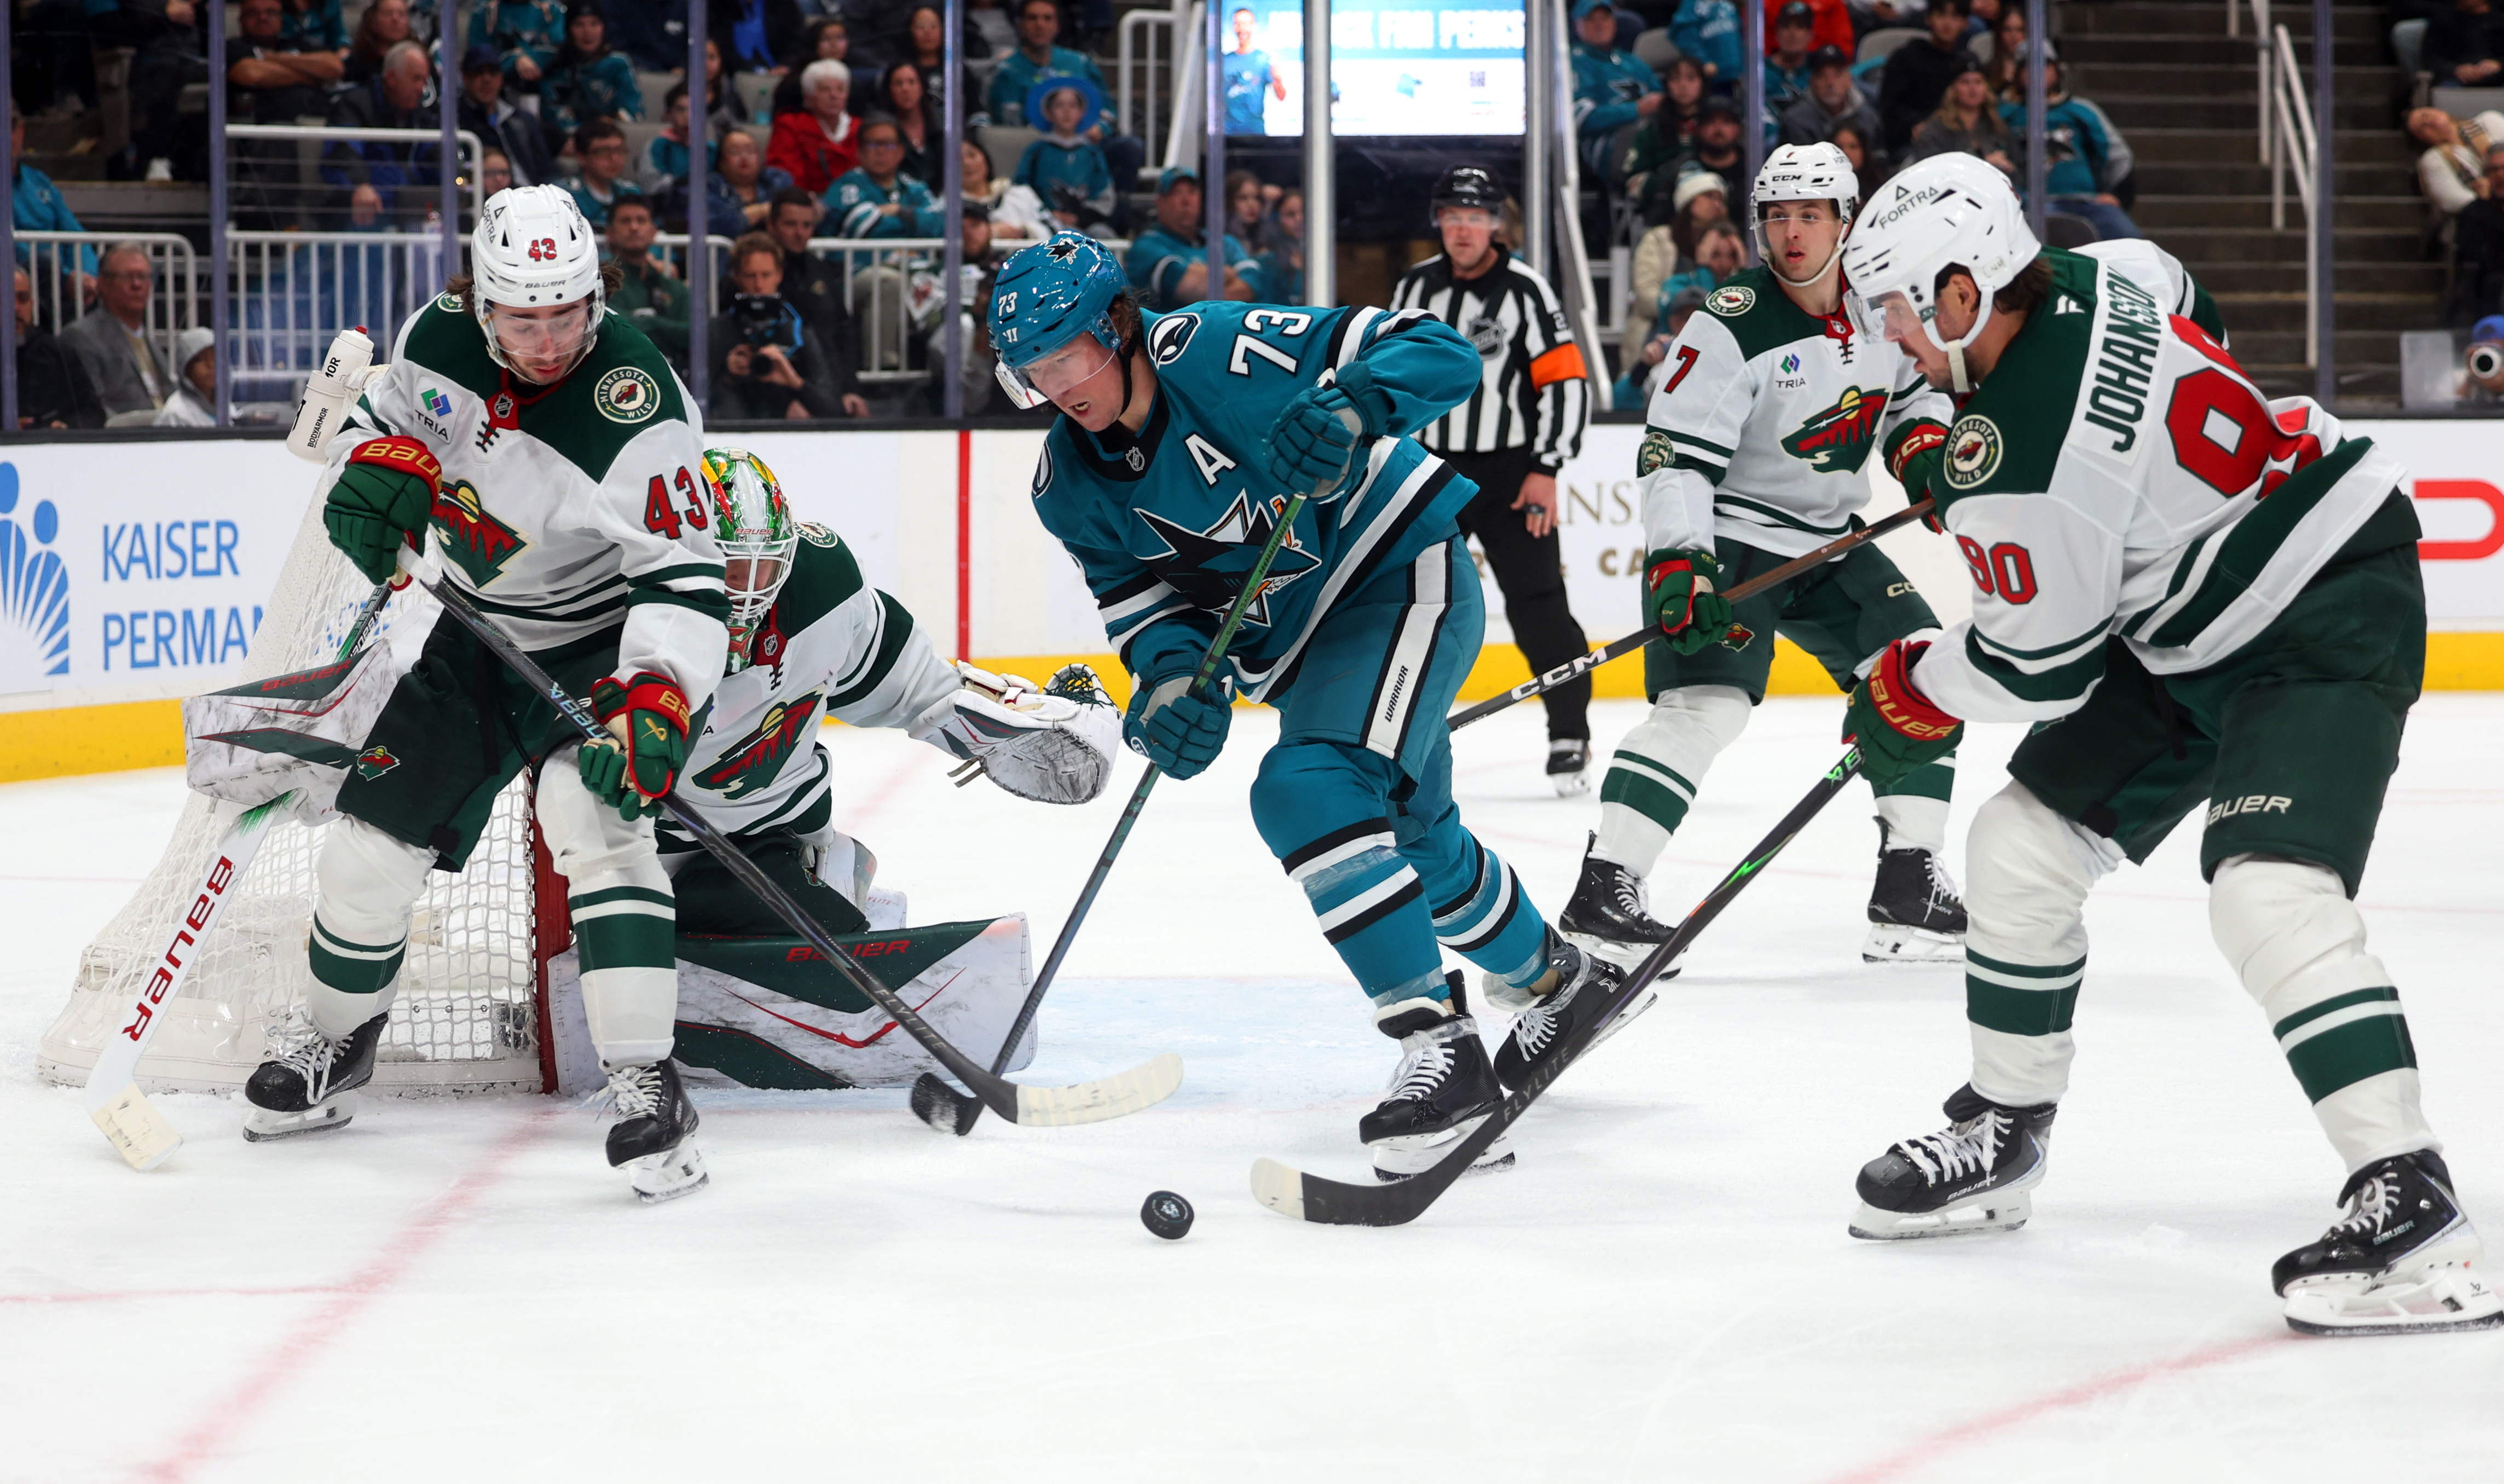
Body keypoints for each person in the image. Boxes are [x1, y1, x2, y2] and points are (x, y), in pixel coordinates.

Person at [1828, 154, 2501, 1341]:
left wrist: (1906, 684)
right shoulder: (2102, 272)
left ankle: (2412, 1201)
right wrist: (1975, 430)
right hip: (2195, 618)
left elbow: (2039, 668)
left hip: (2321, 599)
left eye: (1894, 309)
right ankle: (2003, 1125)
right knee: (2019, 847)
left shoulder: (2025, 470)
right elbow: (2187, 298)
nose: (1887, 338)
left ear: (1960, 288)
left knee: (2267, 893)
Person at [993, 230, 1646, 1180]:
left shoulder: (1220, 350)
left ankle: (1445, 1055)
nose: (1057, 390)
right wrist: (1171, 684)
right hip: (1305, 653)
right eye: (1032, 376)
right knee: (1414, 841)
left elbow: (1441, 350)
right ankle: (1561, 981)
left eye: (1067, 359)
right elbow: (1144, 612)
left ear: (1121, 324)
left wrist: (1355, 404)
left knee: (1306, 786)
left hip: (1399, 572)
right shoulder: (1067, 486)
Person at [245, 184, 726, 1205]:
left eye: (565, 314)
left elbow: (685, 576)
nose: (547, 340)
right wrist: (378, 471)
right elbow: (377, 428)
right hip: (475, 639)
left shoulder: (641, 406)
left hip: (599, 646)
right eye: (522, 316)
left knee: (591, 813)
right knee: (367, 844)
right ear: (482, 299)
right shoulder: (437, 334)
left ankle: (648, 1077)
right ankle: (337, 1046)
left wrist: (657, 696)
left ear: (596, 297)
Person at [1563, 144, 1970, 970]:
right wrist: (1683, 564)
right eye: (1776, 215)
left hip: (1829, 543)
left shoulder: (1881, 305)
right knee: (1704, 708)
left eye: (1809, 214)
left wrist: (1923, 452)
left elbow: (1913, 395)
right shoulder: (1727, 323)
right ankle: (1605, 886)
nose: (1791, 232)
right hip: (1732, 540)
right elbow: (1672, 455)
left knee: (1922, 676)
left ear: (1844, 220)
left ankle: (1908, 883)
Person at [664, 449, 1118, 964]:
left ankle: (829, 890)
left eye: (762, 566)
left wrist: (1013, 724)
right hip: (641, 856)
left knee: (772, 906)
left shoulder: (821, 591)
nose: (748, 591)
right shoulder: (617, 610)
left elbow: (919, 689)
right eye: (729, 567)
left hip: (774, 849)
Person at [1390, 165, 1599, 795]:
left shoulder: (1527, 291)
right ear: (1439, 221)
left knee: (1539, 607)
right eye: (1451, 215)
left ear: (1495, 224)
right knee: (1408, 609)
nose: (1462, 228)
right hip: (1432, 474)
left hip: (1513, 474)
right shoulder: (1415, 287)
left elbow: (1565, 382)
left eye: (1474, 216)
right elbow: (1389, 376)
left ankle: (1569, 734)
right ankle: (1397, 738)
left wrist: (1547, 467)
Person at [984, 0, 1144, 183]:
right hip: (1039, 150)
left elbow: (1108, 112)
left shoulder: (1080, 63)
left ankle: (1111, 208)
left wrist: (1100, 129)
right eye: (1032, 18)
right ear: (1020, 24)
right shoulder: (1008, 71)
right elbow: (1008, 123)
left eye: (1048, 19)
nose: (1040, 25)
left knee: (1130, 148)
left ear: (1058, 26)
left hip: (1086, 145)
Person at [2000, 55, 2139, 240]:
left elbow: (2118, 155)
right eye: (2028, 67)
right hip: (2033, 203)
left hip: (2088, 202)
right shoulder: (2005, 114)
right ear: (2018, 74)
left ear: (2056, 72)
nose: (2036, 72)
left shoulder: (2082, 110)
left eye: (2044, 66)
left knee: (2128, 238)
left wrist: (2119, 196)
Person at [712, 231, 847, 419]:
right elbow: (693, 403)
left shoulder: (798, 333)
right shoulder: (718, 330)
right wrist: (728, 378)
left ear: (779, 275)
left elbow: (834, 410)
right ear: (737, 277)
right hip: (735, 431)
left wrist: (796, 383)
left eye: (766, 275)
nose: (759, 285)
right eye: (751, 276)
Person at [321, 40, 442, 227]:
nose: (422, 89)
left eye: (424, 81)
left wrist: (456, 182)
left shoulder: (422, 117)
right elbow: (342, 152)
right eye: (416, 79)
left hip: (410, 216)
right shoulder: (354, 105)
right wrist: (359, 185)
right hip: (359, 216)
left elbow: (435, 158)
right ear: (392, 78)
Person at [58, 245, 173, 416]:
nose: (137, 284)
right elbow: (94, 408)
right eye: (127, 277)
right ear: (103, 283)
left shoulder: (147, 340)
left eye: (143, 277)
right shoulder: (81, 337)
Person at [1125, 166, 1257, 309]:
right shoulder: (1147, 246)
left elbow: (1253, 284)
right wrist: (1229, 273)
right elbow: (1189, 287)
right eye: (1177, 193)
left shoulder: (1224, 242)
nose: (1186, 201)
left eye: (1192, 192)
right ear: (1160, 202)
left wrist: (1205, 275)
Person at [9, 102, 97, 294]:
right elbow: (14, 249)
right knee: (40, 263)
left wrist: (87, 276)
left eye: (11, 126)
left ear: (22, 131)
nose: (5, 135)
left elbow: (76, 235)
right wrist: (66, 278)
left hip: (63, 291)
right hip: (19, 288)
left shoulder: (39, 182)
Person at [1571, 0, 1661, 181]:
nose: (1599, 25)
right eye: (1591, 19)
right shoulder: (1574, 62)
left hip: (1649, 132)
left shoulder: (1632, 62)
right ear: (1577, 26)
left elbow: (1662, 97)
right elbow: (1581, 118)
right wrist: (1636, 110)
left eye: (1605, 18)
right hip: (1607, 143)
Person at [1015, 84, 1118, 234]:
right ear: (1048, 113)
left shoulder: (1091, 153)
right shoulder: (1037, 152)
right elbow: (1021, 189)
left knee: (1103, 235)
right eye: (1059, 106)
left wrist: (1080, 217)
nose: (1066, 112)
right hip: (1044, 222)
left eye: (1073, 106)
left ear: (1082, 112)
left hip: (1084, 224)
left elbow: (1104, 194)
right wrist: (1048, 213)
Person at [607, 195, 693, 372]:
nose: (634, 227)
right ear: (610, 233)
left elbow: (694, 333)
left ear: (654, 231)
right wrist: (664, 327)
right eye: (625, 221)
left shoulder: (672, 287)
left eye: (641, 220)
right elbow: (615, 332)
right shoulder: (601, 284)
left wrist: (650, 323)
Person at [12, 267, 105, 430]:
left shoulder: (57, 352)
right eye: (4, 299)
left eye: (23, 299)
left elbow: (92, 411)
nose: (15, 308)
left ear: (32, 304)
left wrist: (66, 426)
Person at [458, 44, 560, 189]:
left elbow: (548, 170)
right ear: (465, 77)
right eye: (478, 72)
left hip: (533, 199)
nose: (486, 79)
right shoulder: (456, 121)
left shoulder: (523, 120)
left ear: (501, 77)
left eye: (493, 72)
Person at [1877, 0, 1971, 156]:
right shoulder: (1906, 58)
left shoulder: (1967, 65)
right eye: (1941, 15)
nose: (1947, 24)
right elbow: (1889, 109)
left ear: (1965, 23)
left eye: (1955, 17)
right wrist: (1914, 125)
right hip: (1911, 143)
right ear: (1928, 18)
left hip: (1960, 142)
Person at [827, 115, 946, 237]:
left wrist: (899, 211)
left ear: (901, 152)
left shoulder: (915, 188)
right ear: (860, 151)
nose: (880, 151)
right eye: (873, 144)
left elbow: (941, 224)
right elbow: (856, 226)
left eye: (888, 145)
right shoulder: (846, 186)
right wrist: (915, 223)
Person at [228, 0, 345, 123]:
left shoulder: (296, 43)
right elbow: (251, 73)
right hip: (253, 126)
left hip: (308, 121)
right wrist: (312, 77)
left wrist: (271, 57)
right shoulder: (232, 47)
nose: (263, 18)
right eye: (253, 13)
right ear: (241, 19)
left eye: (271, 12)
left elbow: (335, 67)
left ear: (282, 18)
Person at [1635, 95, 1742, 227]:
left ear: (1739, 128)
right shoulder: (1678, 171)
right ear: (1697, 128)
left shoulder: (1755, 170)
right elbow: (1659, 223)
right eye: (1710, 122)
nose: (1718, 129)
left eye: (1727, 122)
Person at [543, 1, 645, 135]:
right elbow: (553, 112)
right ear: (568, 29)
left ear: (603, 27)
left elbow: (634, 111)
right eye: (579, 25)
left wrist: (608, 124)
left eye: (594, 24)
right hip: (568, 140)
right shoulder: (555, 64)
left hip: (611, 136)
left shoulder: (618, 63)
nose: (588, 32)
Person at [1620, 55, 1708, 208]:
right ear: (1666, 85)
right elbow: (1634, 180)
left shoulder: (1718, 122)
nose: (1683, 86)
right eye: (1676, 79)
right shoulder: (1653, 127)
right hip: (1665, 206)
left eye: (1691, 78)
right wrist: (1668, 181)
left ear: (1703, 83)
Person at [1780, 45, 1883, 175]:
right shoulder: (1796, 121)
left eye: (1837, 74)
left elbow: (1879, 165)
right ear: (1812, 82)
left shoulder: (1868, 119)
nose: (1830, 83)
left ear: (1849, 79)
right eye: (1822, 76)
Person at [1907, 54, 2012, 176]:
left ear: (1986, 88)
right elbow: (1929, 174)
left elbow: (2022, 172)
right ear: (1953, 89)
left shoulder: (1997, 127)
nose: (1973, 89)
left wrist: (2010, 169)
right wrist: (1985, 165)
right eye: (1965, 82)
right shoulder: (1935, 130)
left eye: (1978, 82)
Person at [770, 59, 861, 194]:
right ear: (808, 97)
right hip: (807, 203)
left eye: (840, 89)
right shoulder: (790, 126)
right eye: (825, 90)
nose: (834, 96)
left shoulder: (861, 128)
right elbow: (785, 175)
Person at [693, 125, 794, 235]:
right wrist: (759, 212)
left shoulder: (777, 180)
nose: (744, 157)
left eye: (750, 151)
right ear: (721, 161)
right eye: (735, 152)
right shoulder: (710, 187)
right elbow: (711, 225)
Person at [2409, 106, 2504, 219]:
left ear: (2441, 111)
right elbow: (2453, 201)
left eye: (2425, 115)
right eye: (2422, 127)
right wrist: (2487, 198)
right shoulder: (2433, 160)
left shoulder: (2490, 121)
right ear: (2422, 139)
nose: (2428, 121)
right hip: (2485, 216)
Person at [2451, 144, 2504, 321]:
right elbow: (2469, 251)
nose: (2500, 175)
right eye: (2493, 170)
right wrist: (2484, 205)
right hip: (2490, 288)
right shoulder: (2475, 211)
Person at [964, 137, 1051, 242]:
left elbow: (1054, 231)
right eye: (957, 159)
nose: (966, 163)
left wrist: (1024, 233)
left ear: (985, 158)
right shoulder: (944, 207)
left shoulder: (1021, 195)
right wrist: (990, 233)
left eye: (972, 155)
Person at [469, 0, 566, 92]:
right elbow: (478, 59)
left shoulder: (552, 10)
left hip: (547, 87)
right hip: (500, 91)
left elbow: (561, 52)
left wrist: (528, 59)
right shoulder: (485, 13)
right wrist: (514, 60)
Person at [564, 118, 643, 230]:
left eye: (619, 151)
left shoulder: (632, 192)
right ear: (582, 157)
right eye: (603, 152)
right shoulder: (565, 195)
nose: (614, 159)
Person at [1222, 7, 1285, 135]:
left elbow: (1281, 96)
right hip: (1228, 132)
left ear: (1253, 26)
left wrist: (1278, 80)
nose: (1242, 29)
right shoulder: (1224, 61)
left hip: (1255, 132)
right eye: (1238, 24)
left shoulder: (1263, 60)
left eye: (1246, 24)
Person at [879, 59, 942, 183]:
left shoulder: (941, 123)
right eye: (898, 84)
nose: (906, 89)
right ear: (889, 91)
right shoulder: (882, 129)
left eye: (912, 82)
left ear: (922, 87)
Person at [151, 327, 219, 427]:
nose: (211, 365)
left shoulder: (227, 406)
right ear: (185, 369)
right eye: (200, 360)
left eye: (215, 357)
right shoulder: (177, 413)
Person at [2426, 0, 2504, 88]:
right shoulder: (2442, 20)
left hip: (2498, 78)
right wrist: (2455, 70)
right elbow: (2430, 58)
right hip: (2456, 79)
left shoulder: (2500, 19)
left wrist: (2499, 65)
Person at [1669, 0, 1742, 90]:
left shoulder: (1729, 5)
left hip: (1735, 74)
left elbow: (1740, 37)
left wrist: (1742, 67)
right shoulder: (1691, 5)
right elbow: (1686, 37)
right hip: (1710, 77)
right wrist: (1703, 61)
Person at [1762, 1, 1818, 113]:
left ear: (1810, 35)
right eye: (1786, 26)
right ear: (1777, 33)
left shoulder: (1818, 70)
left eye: (1800, 27)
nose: (1793, 33)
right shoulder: (1760, 71)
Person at [344, 0, 417, 85]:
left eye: (401, 14)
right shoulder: (355, 65)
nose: (396, 19)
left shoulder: (419, 59)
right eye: (388, 13)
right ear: (373, 21)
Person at [1255, 187, 1305, 303]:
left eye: (1304, 212)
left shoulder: (1323, 258)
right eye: (1290, 215)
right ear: (1276, 220)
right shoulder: (1266, 260)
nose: (1299, 219)